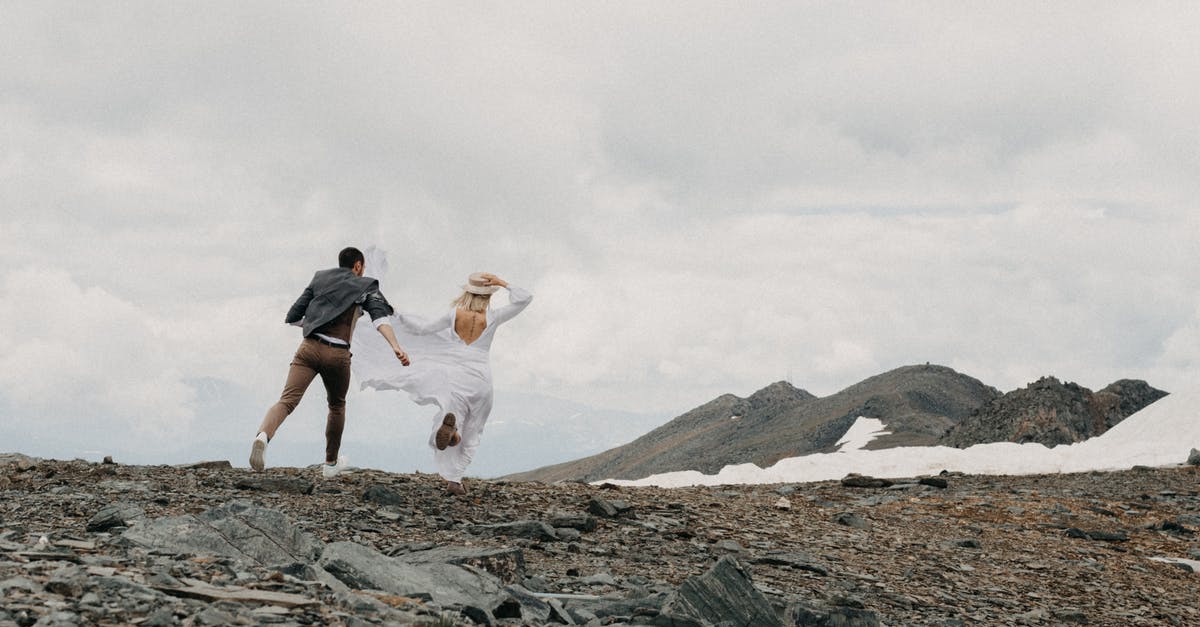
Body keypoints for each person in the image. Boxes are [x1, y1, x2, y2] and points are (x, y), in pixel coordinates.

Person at [351, 269, 532, 495]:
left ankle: (453, 437)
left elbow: (421, 329)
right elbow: (525, 298)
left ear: (468, 292)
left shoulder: (455, 314)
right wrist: (502, 282)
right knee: (475, 429)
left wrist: (396, 313)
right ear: (488, 296)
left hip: (456, 377)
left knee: (456, 417)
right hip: (481, 378)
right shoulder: (493, 317)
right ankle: (455, 477)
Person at [250, 247, 410, 478]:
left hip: (308, 348)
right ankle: (330, 463)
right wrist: (395, 346)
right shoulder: (366, 286)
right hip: (337, 355)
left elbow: (293, 317)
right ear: (358, 266)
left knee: (287, 401)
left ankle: (263, 436)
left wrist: (313, 324)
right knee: (336, 406)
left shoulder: (320, 278)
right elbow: (380, 319)